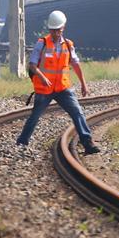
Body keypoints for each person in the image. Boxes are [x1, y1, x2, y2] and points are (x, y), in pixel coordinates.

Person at [16, 10, 100, 153]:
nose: (55, 33)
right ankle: (21, 142)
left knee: (77, 112)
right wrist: (42, 77)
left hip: (63, 88)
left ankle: (88, 143)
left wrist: (84, 84)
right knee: (35, 116)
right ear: (50, 29)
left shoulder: (68, 45)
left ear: (63, 28)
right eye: (53, 30)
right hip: (45, 89)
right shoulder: (41, 43)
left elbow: (76, 65)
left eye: (58, 30)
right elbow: (32, 65)